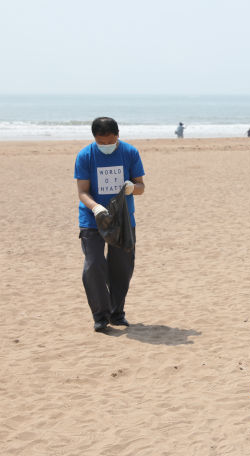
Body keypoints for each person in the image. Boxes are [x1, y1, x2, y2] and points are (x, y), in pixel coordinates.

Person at [75, 117, 146, 332]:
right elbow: (82, 192)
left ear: (118, 136)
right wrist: (96, 208)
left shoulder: (130, 152)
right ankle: (100, 315)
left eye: (110, 142)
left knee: (121, 268)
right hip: (92, 220)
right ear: (94, 138)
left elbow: (141, 186)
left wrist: (131, 188)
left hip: (122, 219)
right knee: (94, 264)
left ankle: (117, 313)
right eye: (101, 142)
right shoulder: (85, 155)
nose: (106, 146)